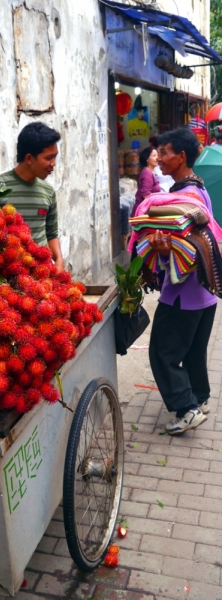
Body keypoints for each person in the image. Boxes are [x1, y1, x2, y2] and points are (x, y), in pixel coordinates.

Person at [147, 128, 217, 435]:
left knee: (162, 352)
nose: (159, 158)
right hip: (206, 293)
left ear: (182, 157)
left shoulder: (181, 198)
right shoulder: (199, 190)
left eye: (164, 153)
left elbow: (182, 252)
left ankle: (186, 409)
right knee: (193, 351)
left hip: (182, 294)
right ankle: (199, 399)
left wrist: (161, 252)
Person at [0, 122, 64, 271]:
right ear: (29, 158)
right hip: (10, 274)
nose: (53, 164)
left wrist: (59, 259)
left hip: (43, 273)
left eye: (55, 157)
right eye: (49, 158)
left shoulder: (48, 191)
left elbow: (51, 233)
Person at [131, 147, 161, 217]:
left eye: (157, 155)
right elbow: (146, 195)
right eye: (154, 156)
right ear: (147, 159)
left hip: (146, 210)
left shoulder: (151, 172)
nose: (157, 158)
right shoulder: (147, 173)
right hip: (143, 213)